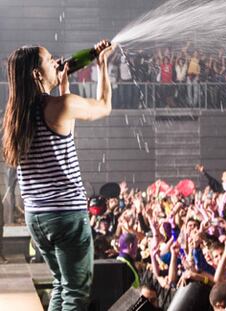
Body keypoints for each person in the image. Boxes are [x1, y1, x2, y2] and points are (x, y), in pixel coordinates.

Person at [1, 40, 113, 310]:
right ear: (37, 74)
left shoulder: (17, 116)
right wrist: (103, 65)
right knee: (75, 292)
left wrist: (64, 88)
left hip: (37, 217)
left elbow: (63, 136)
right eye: (49, 59)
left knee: (61, 284)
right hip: (66, 215)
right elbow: (104, 106)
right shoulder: (59, 106)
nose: (56, 61)